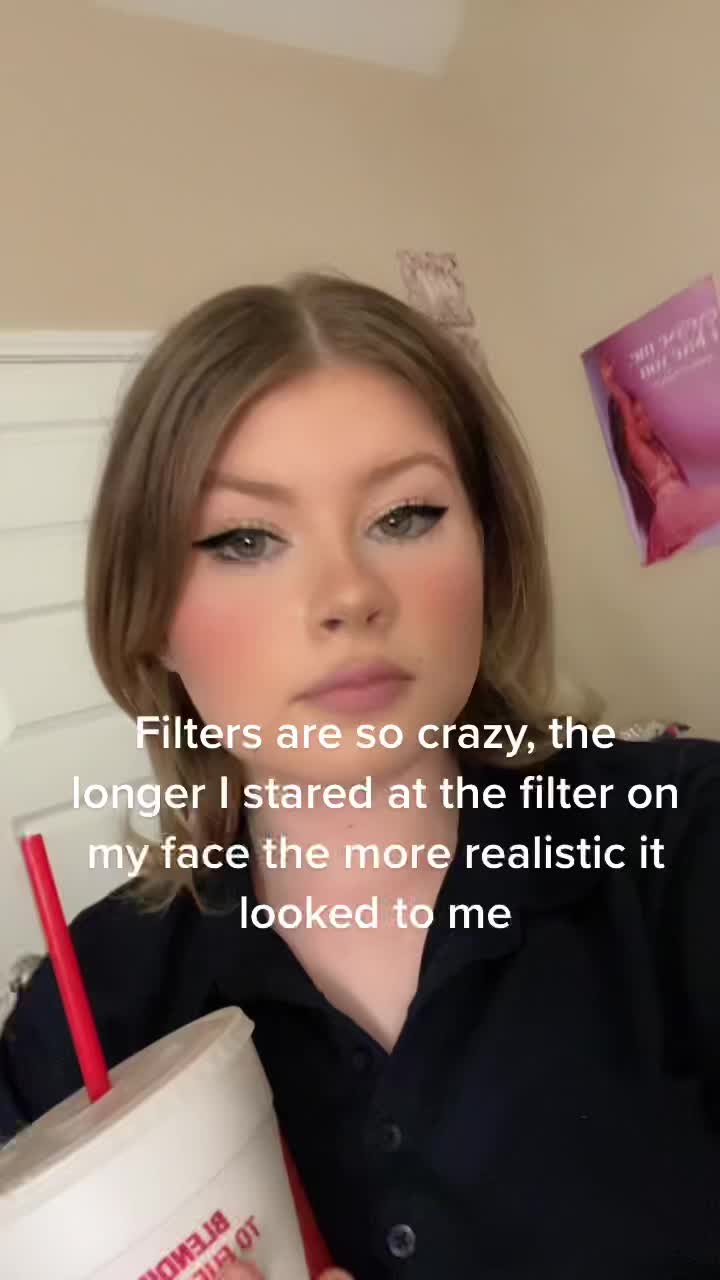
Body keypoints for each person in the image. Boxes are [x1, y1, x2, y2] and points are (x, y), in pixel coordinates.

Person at [1, 273, 719, 1279]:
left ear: (491, 555)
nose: (347, 594)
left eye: (406, 515)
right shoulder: (87, 1013)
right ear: (149, 613)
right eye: (245, 539)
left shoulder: (687, 845)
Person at [600, 355, 720, 564]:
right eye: (637, 419)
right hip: (672, 511)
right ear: (627, 430)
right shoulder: (637, 451)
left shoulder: (658, 450)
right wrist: (611, 385)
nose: (646, 421)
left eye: (645, 414)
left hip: (678, 509)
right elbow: (625, 406)